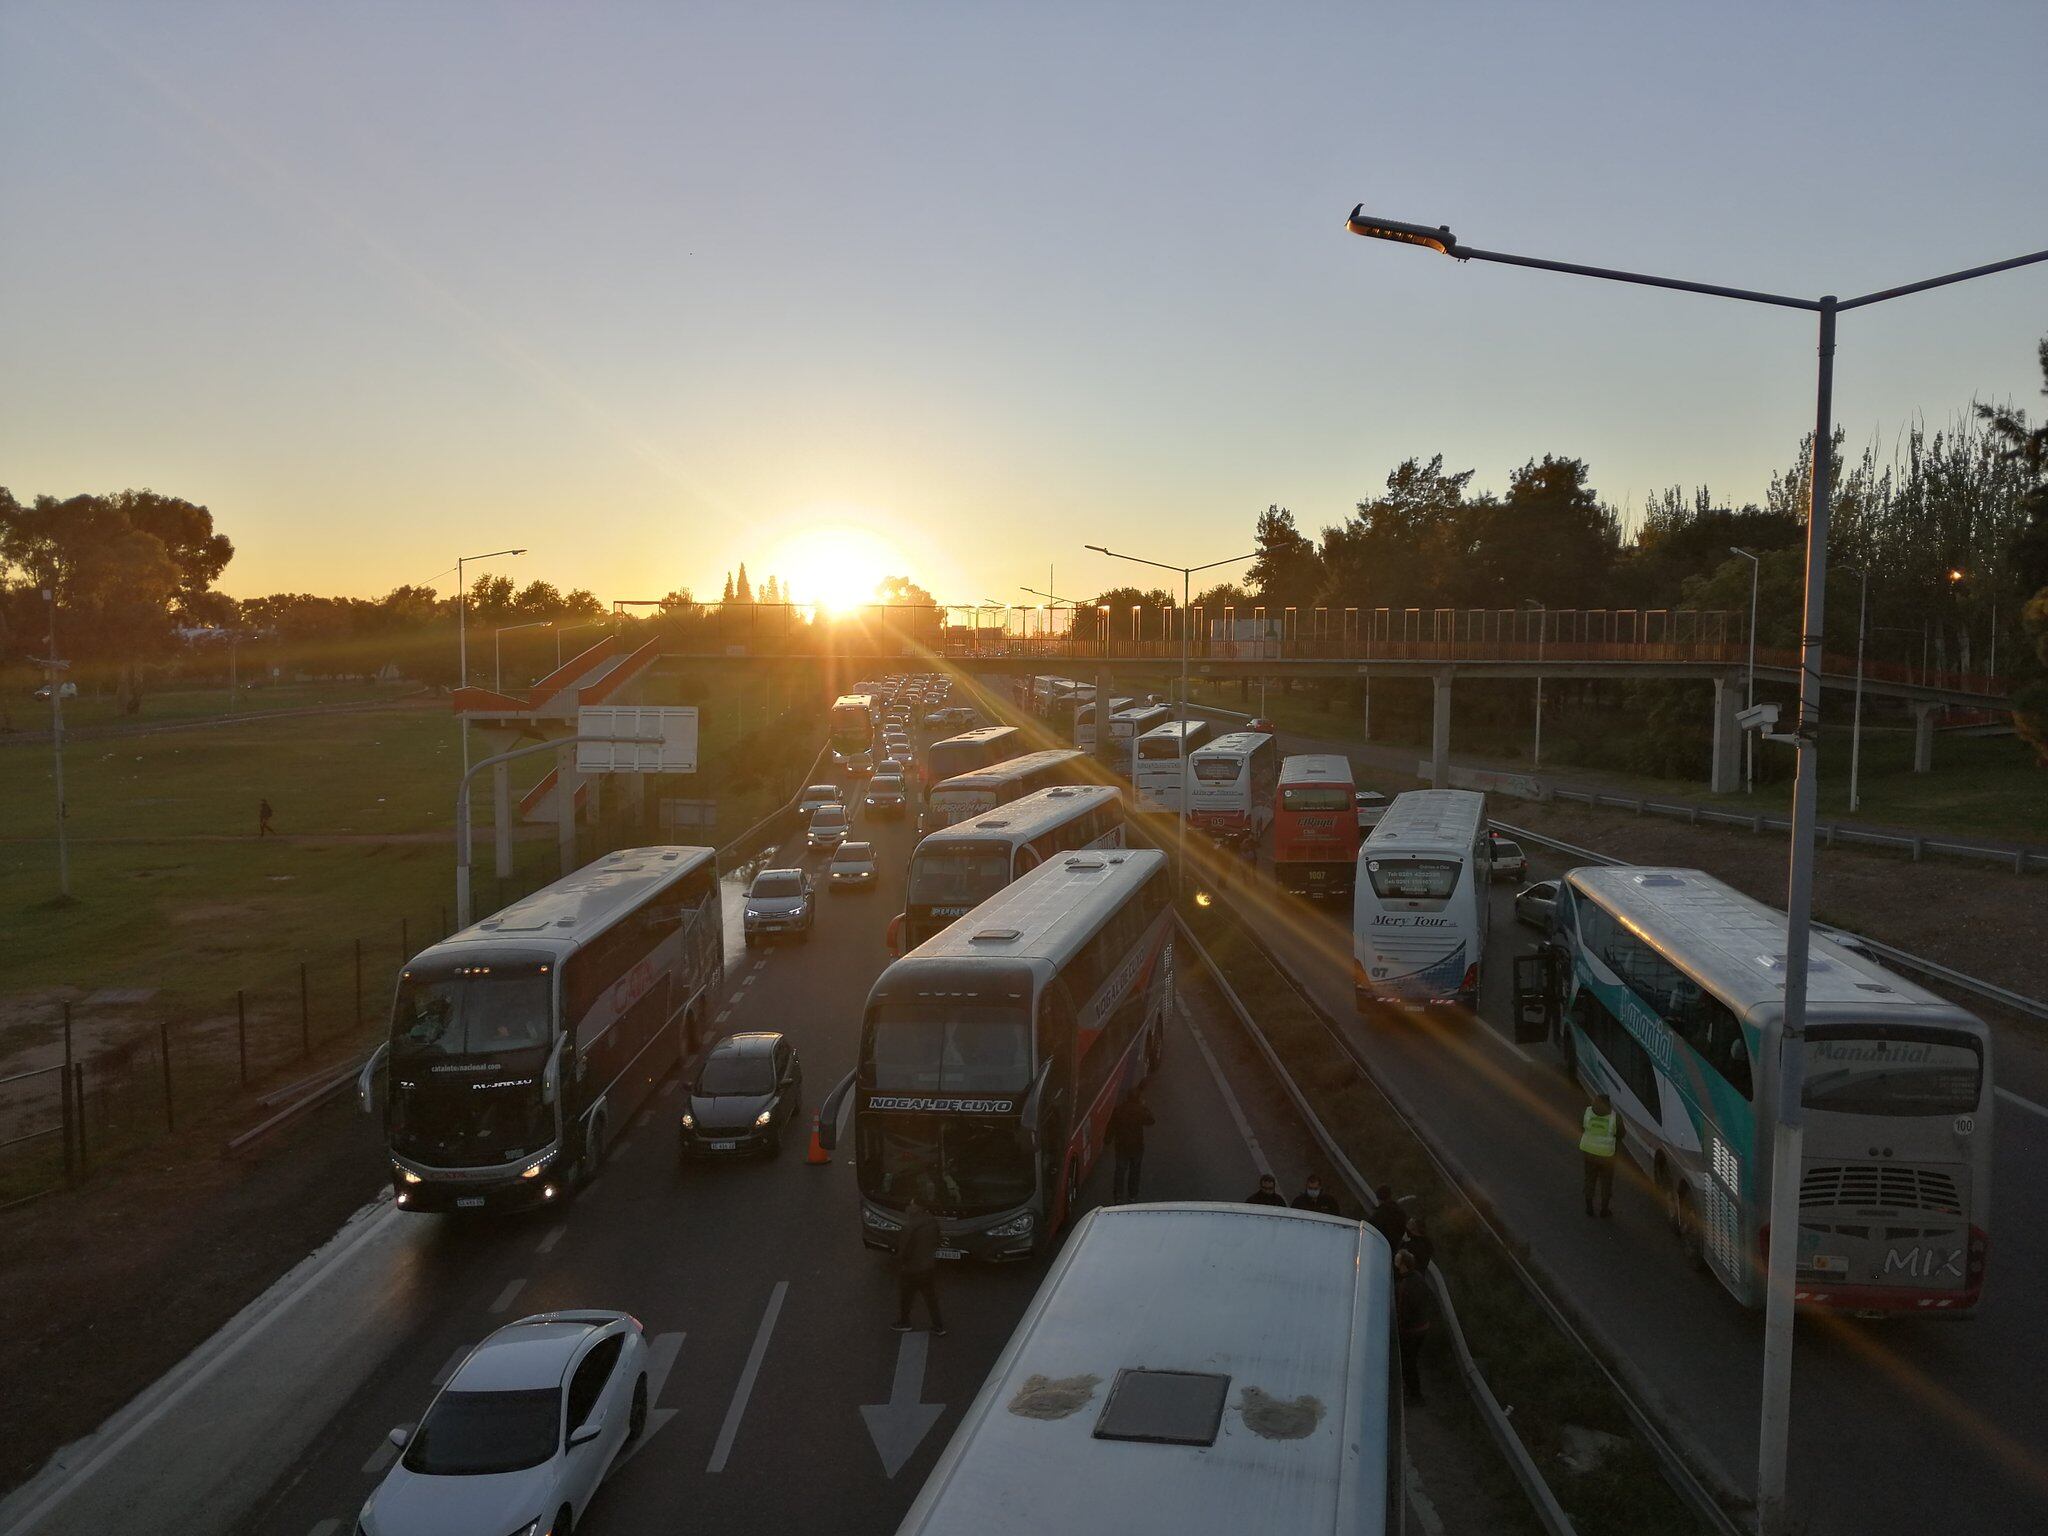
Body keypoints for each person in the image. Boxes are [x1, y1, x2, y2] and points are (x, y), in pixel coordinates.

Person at [891, 1182, 947, 1335]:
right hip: (928, 1266)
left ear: (915, 1207)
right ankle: (939, 1326)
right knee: (930, 1298)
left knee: (906, 1297)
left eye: (911, 1203)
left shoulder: (910, 1226)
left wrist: (901, 1263)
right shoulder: (932, 1221)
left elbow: (904, 1249)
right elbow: (937, 1240)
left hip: (912, 1269)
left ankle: (904, 1322)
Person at [1394, 1249, 1431, 1405]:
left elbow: (1402, 1312)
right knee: (1412, 1361)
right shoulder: (1418, 1277)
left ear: (1403, 1265)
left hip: (1411, 1331)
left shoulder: (1405, 1286)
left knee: (1408, 1363)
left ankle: (1415, 1395)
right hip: (1423, 1326)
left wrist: (1397, 1329)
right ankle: (1413, 1392)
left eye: (1397, 1262)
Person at [1107, 1084, 1155, 1202]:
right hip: (1136, 1147)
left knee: (1120, 1170)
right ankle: (1132, 1195)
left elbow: (1111, 1126)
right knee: (1135, 1171)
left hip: (1121, 1146)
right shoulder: (1140, 1110)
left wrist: (1107, 1139)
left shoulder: (1119, 1110)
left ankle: (1118, 1195)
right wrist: (1145, 1107)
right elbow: (1151, 1121)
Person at [1580, 1089, 1623, 1218]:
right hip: (1607, 1156)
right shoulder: (1615, 1117)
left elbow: (1581, 1126)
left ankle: (1589, 1207)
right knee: (1606, 1183)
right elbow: (1621, 1134)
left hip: (1589, 1153)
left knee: (1590, 1179)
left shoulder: (1587, 1112)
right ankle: (1604, 1210)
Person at [1368, 1183, 1408, 1248]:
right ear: (1390, 1196)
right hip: (1394, 1247)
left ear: (1378, 1198)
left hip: (1381, 1247)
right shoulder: (1401, 1213)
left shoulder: (1378, 1215)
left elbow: (1370, 1231)